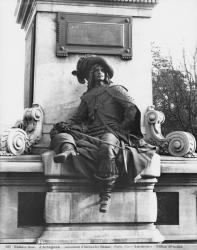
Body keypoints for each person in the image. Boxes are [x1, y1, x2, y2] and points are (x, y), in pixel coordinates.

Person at [49, 56, 158, 213]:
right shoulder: (87, 97)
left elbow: (131, 109)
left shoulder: (115, 89)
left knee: (107, 149)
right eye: (95, 71)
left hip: (111, 132)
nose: (99, 73)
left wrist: (121, 129)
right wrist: (66, 125)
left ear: (106, 74)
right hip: (91, 132)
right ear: (90, 76)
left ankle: (105, 194)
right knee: (60, 132)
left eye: (102, 70)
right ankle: (68, 150)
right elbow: (77, 119)